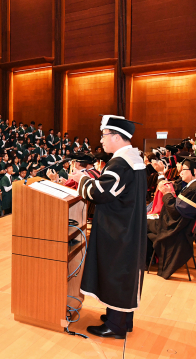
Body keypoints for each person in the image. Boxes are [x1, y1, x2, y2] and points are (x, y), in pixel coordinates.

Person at [69, 115, 146, 339]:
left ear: (117, 137)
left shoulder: (121, 162)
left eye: (104, 135)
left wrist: (80, 179)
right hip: (128, 224)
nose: (101, 140)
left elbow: (101, 193)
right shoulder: (134, 159)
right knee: (123, 272)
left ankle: (116, 326)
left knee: (116, 271)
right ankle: (121, 317)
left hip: (119, 229)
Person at [147, 157, 196, 279]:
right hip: (179, 225)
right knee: (145, 224)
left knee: (141, 223)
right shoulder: (190, 186)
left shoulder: (193, 189)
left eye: (184, 169)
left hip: (178, 230)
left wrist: (167, 194)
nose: (181, 172)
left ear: (195, 171)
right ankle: (148, 259)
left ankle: (144, 260)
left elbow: (175, 212)